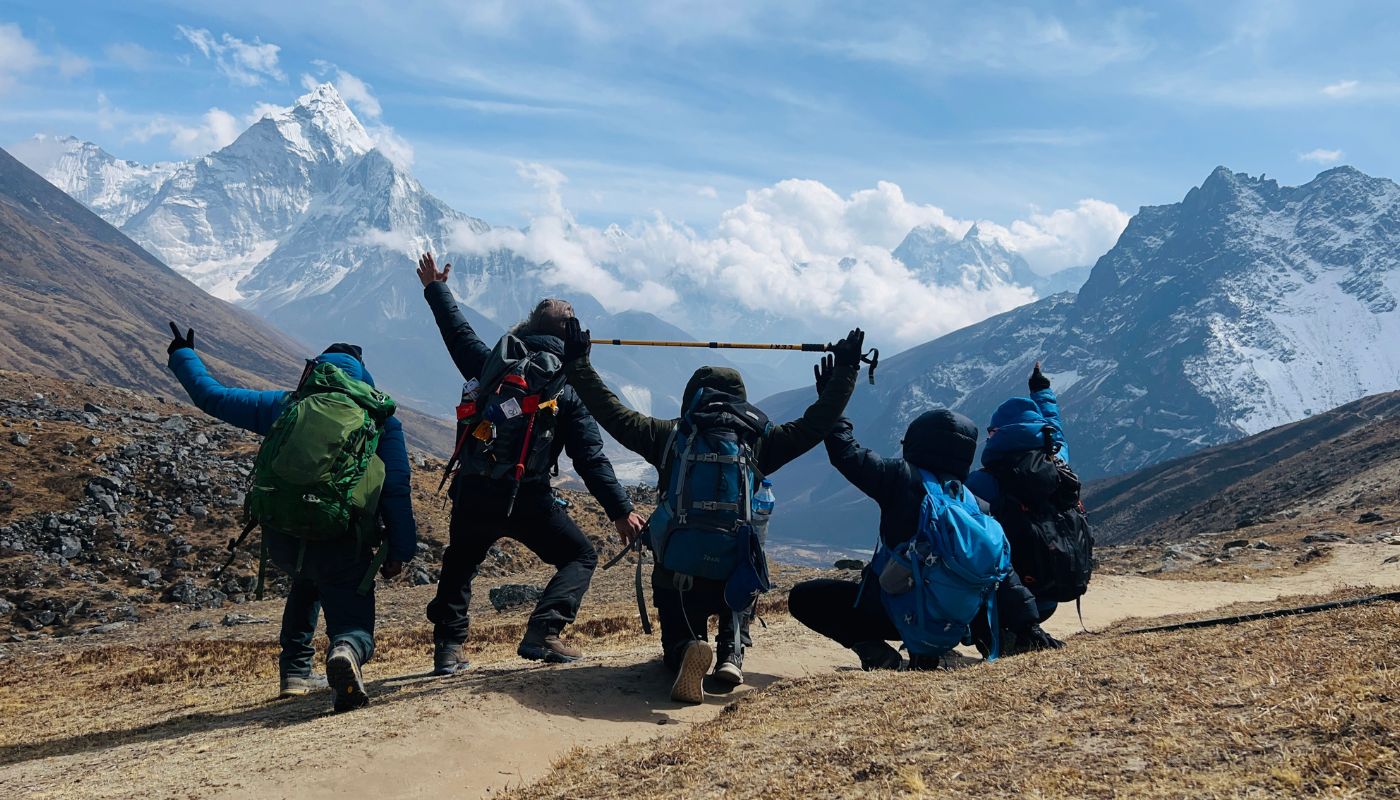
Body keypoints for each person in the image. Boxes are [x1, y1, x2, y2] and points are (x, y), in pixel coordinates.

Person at [560, 317, 864, 703]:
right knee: (744, 570)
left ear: (692, 397)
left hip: (679, 573)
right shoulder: (761, 442)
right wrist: (845, 373)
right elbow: (815, 425)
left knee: (676, 624)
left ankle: (686, 647)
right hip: (732, 576)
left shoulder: (667, 436)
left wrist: (579, 364)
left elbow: (611, 411)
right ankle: (731, 652)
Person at [165, 325, 415, 711]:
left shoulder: (286, 405)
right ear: (363, 378)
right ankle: (346, 650)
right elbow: (396, 488)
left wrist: (183, 354)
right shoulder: (381, 422)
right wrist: (401, 550)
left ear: (315, 370)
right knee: (352, 618)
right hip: (343, 541)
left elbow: (212, 397)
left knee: (305, 578)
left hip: (283, 534)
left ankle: (295, 672)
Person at [416, 253, 645, 674]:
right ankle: (544, 631)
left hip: (474, 488)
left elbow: (457, 331)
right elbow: (590, 457)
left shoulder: (492, 364)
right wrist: (620, 510)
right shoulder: (567, 385)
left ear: (528, 327)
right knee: (580, 556)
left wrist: (436, 289)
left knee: (460, 563)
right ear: (572, 336)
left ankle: (448, 649)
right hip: (527, 496)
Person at [788, 358, 1059, 670]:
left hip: (893, 613)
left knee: (804, 598)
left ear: (919, 440)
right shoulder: (974, 503)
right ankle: (957, 646)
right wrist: (1028, 625)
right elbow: (1002, 572)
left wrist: (832, 400)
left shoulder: (899, 478)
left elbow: (846, 453)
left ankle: (876, 653)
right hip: (954, 620)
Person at [965, 363, 1087, 648]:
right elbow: (1056, 431)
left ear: (996, 433)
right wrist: (1042, 391)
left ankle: (993, 633)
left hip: (1008, 596)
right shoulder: (1058, 465)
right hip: (1051, 593)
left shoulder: (983, 483)